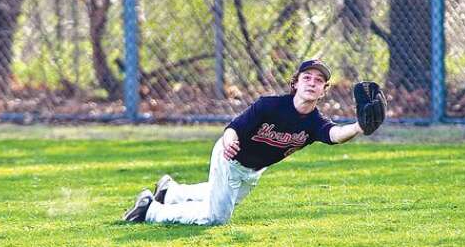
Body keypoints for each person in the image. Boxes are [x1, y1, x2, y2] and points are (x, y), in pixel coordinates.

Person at [122, 59, 385, 225]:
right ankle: (151, 211)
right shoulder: (269, 106)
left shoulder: (314, 122)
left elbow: (335, 135)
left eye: (319, 81)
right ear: (295, 83)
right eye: (307, 77)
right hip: (229, 157)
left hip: (252, 172)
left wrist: (360, 126)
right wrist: (229, 142)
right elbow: (234, 128)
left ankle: (171, 193)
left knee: (220, 197)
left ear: (324, 90)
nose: (312, 83)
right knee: (216, 217)